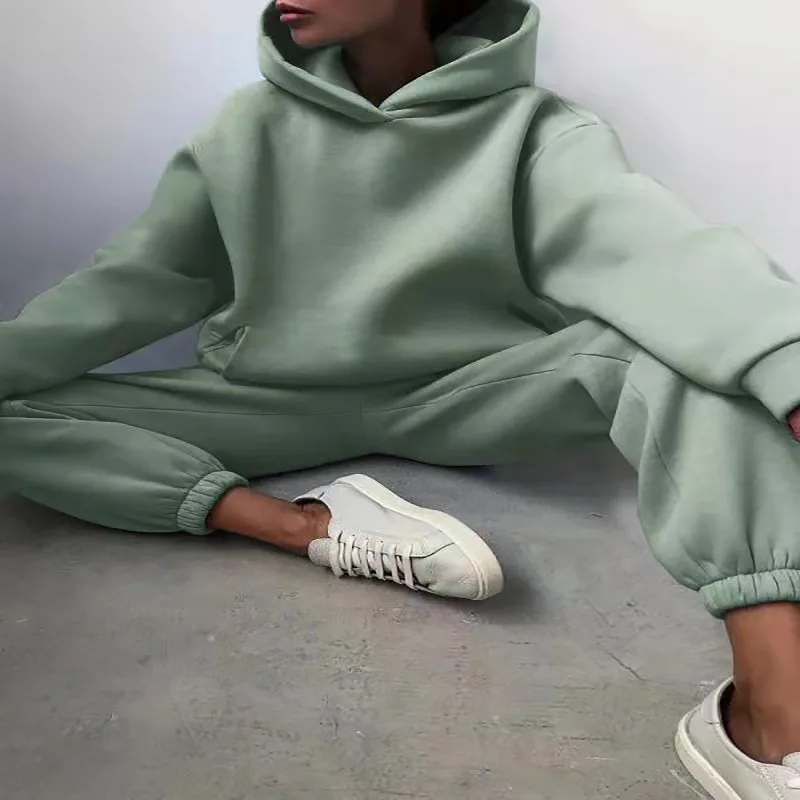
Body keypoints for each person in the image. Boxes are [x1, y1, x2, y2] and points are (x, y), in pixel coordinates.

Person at [2, 0, 800, 794]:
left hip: (472, 394)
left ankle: (773, 715)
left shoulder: (534, 130)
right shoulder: (245, 129)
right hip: (272, 402)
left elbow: (658, 255)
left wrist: (790, 370)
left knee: (692, 361)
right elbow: (135, 285)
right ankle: (303, 524)